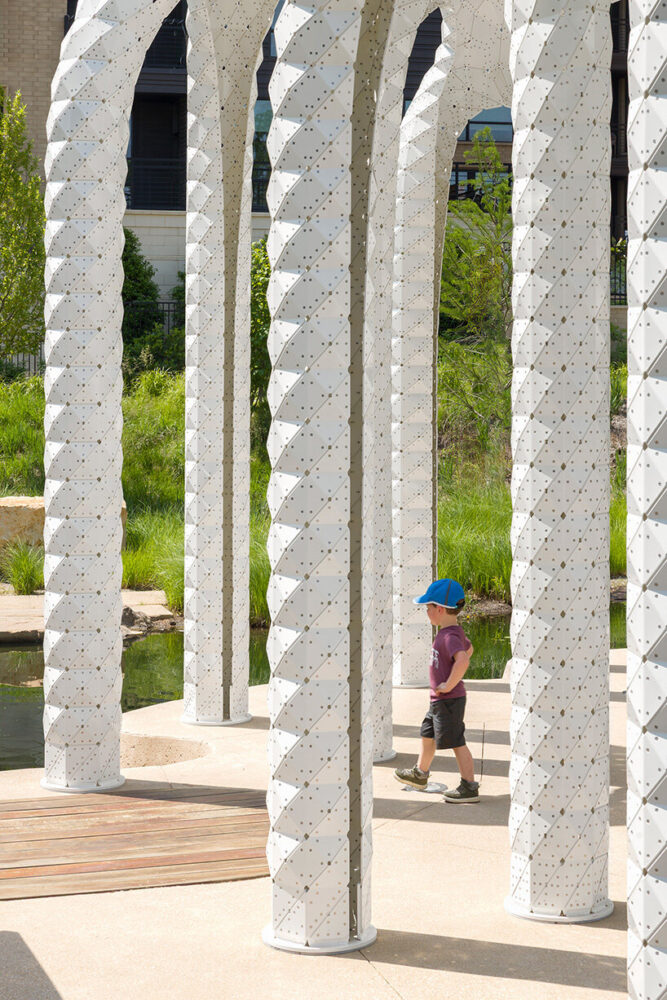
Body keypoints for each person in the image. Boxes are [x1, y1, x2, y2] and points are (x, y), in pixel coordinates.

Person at [394, 577, 480, 803]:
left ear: (440, 609)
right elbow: (469, 648)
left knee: (456, 741)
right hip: (439, 701)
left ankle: (469, 786)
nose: (426, 611)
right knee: (427, 734)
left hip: (448, 700)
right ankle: (420, 774)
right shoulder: (454, 632)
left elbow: (463, 659)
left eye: (428, 607)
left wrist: (449, 684)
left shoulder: (449, 636)